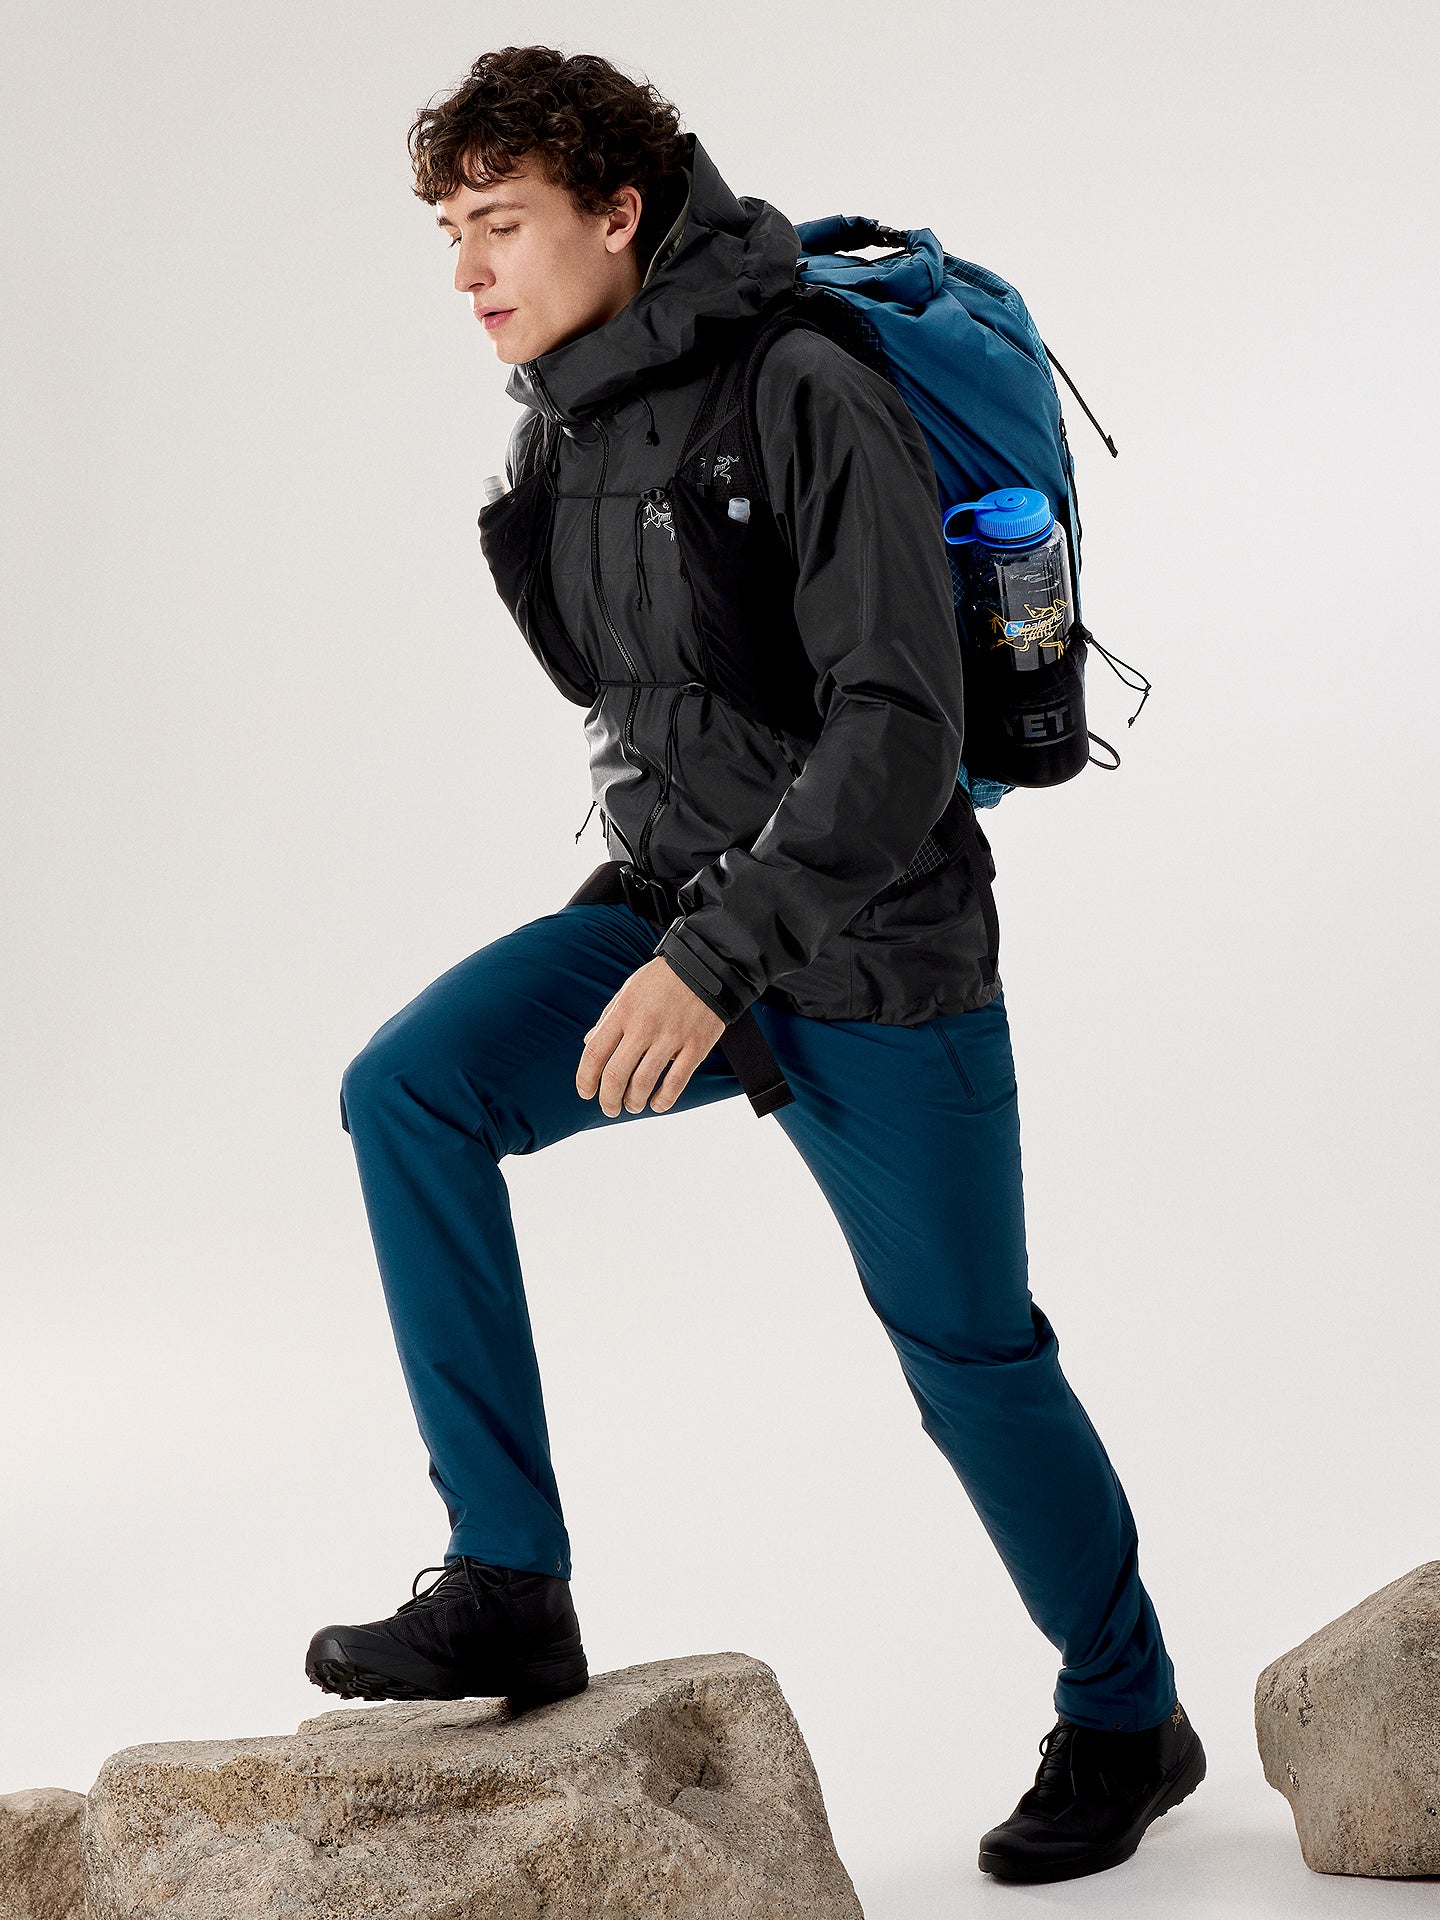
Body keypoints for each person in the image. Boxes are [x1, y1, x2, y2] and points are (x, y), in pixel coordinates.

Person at [304, 43, 1205, 1886]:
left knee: (971, 1357)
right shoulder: (567, 413)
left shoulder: (804, 386)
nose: (466, 271)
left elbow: (899, 725)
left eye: (501, 224)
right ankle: (509, 1579)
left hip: (876, 950)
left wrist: (717, 959)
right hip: (676, 912)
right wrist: (681, 927)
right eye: (450, 231)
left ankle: (1130, 1714)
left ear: (618, 213)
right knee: (409, 1091)